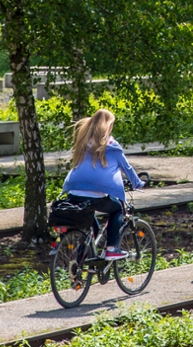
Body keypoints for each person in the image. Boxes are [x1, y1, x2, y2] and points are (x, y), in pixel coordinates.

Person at [61, 108, 145, 261]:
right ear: (108, 126)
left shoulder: (83, 143)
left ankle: (79, 263)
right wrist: (138, 183)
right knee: (117, 209)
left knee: (93, 228)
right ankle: (112, 249)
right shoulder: (112, 146)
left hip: (73, 194)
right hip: (96, 197)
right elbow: (127, 169)